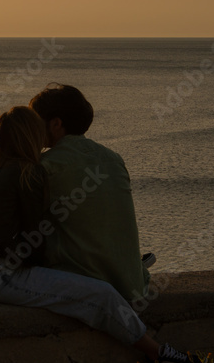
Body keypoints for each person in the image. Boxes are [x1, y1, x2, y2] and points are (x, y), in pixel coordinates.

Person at [0, 106, 203, 363]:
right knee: (101, 293)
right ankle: (158, 353)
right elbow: (34, 241)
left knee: (79, 280)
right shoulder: (27, 173)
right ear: (29, 136)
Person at [27, 84, 149, 303]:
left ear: (56, 124)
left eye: (35, 122)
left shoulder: (46, 167)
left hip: (87, 284)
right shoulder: (114, 159)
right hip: (131, 283)